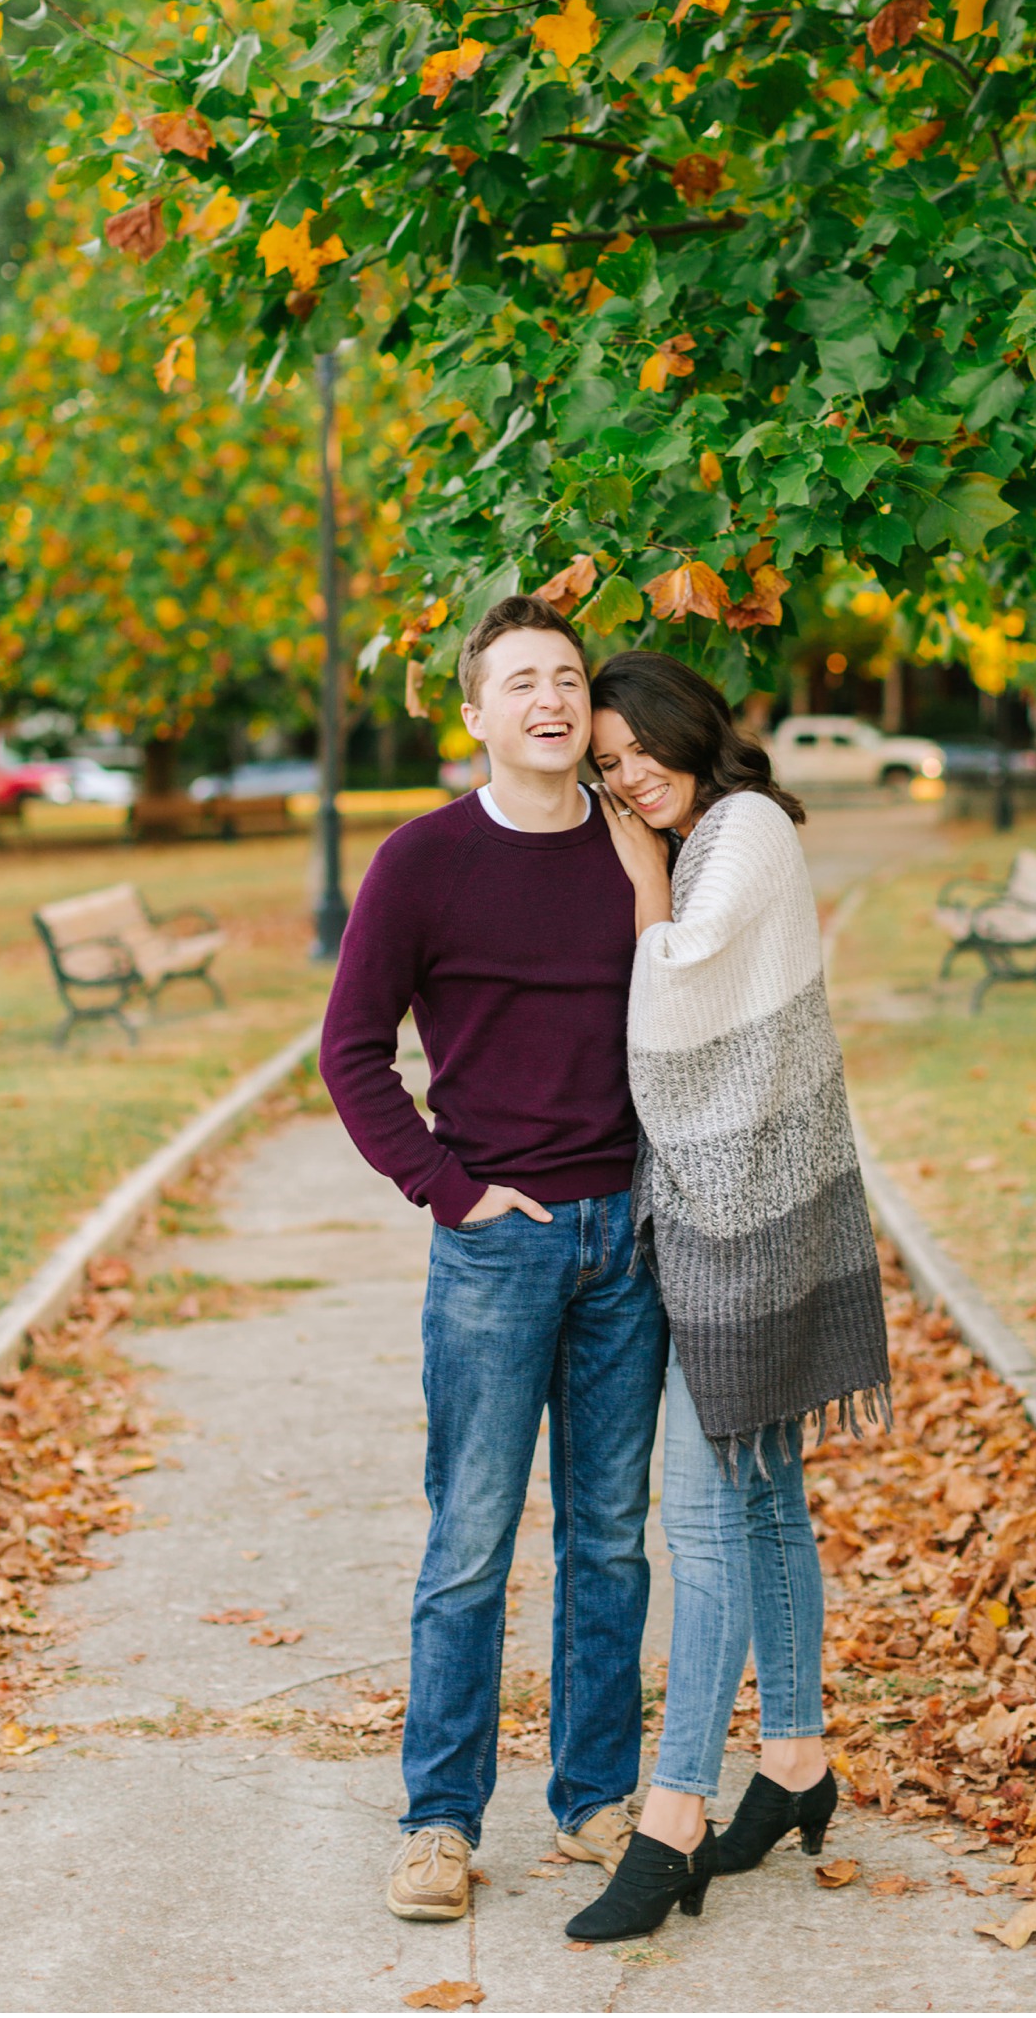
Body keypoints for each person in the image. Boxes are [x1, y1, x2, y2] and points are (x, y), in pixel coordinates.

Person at [319, 598, 668, 1925]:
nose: (550, 698)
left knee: (609, 1538)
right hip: (494, 1254)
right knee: (469, 1541)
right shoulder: (422, 862)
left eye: (568, 677)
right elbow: (351, 1052)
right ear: (475, 712)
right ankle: (439, 1822)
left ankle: (592, 1799)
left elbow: (680, 1006)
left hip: (623, 1240)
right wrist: (451, 1192)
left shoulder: (639, 850)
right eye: (520, 679)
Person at [564, 650, 892, 1945]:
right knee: (763, 1502)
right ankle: (799, 1759)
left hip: (743, 1226)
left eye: (638, 745)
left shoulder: (740, 831)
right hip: (739, 1216)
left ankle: (676, 1814)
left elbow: (672, 1024)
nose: (628, 772)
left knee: (702, 1523)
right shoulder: (706, 832)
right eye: (607, 765)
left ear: (688, 724)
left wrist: (641, 883)